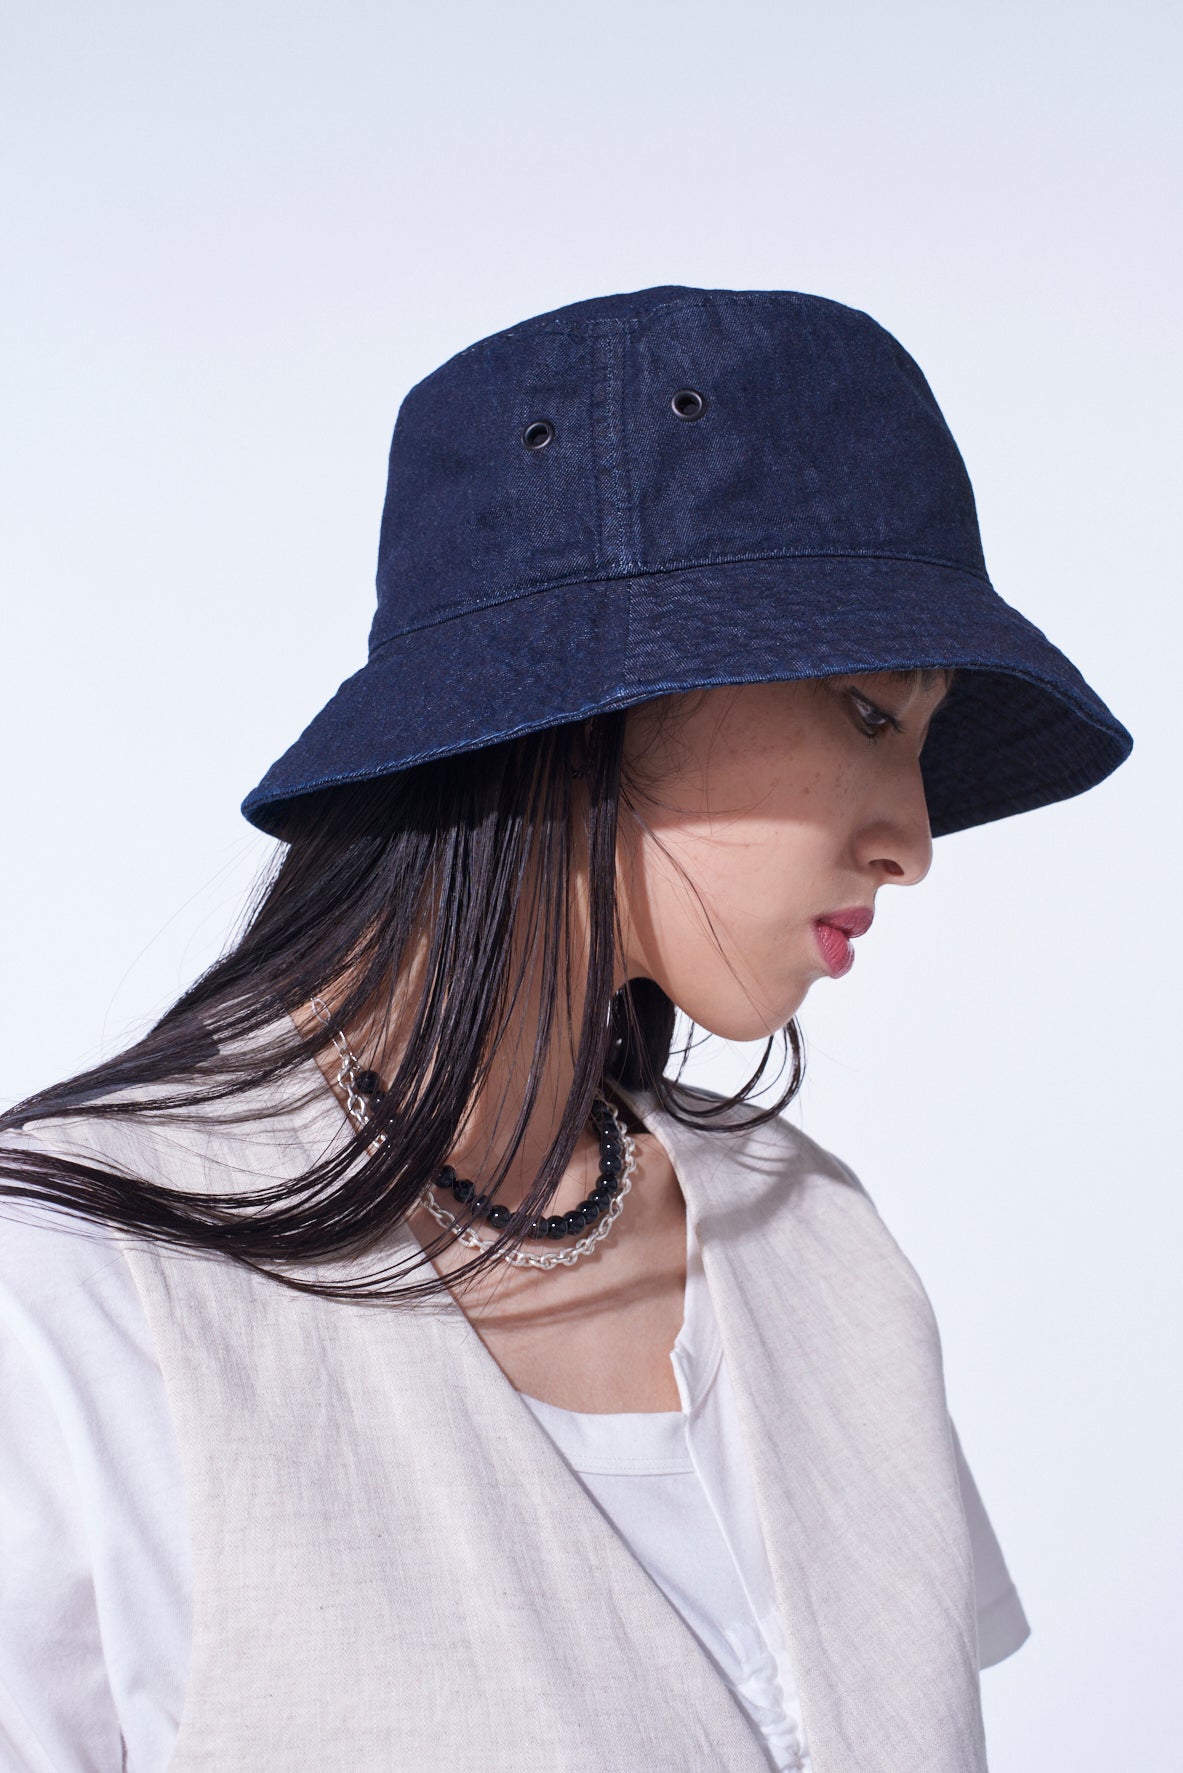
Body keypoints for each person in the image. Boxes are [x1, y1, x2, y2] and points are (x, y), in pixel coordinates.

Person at [0, 285, 1130, 1773]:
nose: (914, 841)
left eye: (923, 741)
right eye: (869, 711)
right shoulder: (74, 1295)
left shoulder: (818, 1247)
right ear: (594, 702)